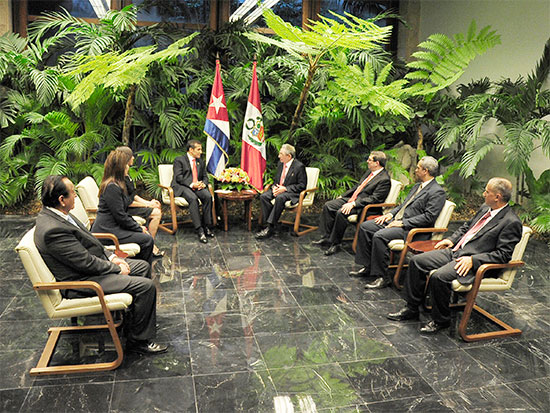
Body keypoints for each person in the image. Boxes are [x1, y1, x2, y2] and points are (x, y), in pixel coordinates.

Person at [34, 175, 167, 354]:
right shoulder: (53, 229)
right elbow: (85, 263)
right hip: (82, 281)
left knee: (142, 266)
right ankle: (139, 342)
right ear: (61, 199)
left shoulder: (58, 214)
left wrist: (112, 257)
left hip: (92, 267)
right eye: (73, 193)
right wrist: (117, 268)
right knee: (146, 287)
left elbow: (90, 242)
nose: (76, 196)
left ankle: (135, 322)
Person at [387, 177, 522, 333]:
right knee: (417, 261)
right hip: (457, 251)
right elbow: (466, 227)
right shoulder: (485, 208)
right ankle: (411, 308)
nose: (483, 193)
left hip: (475, 262)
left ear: (497, 197)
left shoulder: (511, 222)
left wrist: (473, 260)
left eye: (487, 191)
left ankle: (441, 320)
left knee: (439, 277)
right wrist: (451, 240)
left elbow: (503, 255)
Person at [350, 156, 446, 289]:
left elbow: (428, 217)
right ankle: (368, 266)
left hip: (412, 229)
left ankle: (383, 276)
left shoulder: (437, 192)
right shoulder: (418, 186)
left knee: (379, 235)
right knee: (366, 227)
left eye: (418, 168)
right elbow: (404, 205)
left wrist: (403, 223)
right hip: (397, 220)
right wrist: (390, 214)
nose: (416, 170)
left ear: (426, 171)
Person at [312, 151, 391, 256]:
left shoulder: (384, 179)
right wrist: (343, 196)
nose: (367, 161)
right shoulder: (370, 172)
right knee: (329, 206)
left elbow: (374, 199)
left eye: (370, 160)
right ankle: (327, 238)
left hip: (364, 206)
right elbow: (358, 187)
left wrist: (354, 204)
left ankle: (336, 243)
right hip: (353, 199)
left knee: (342, 212)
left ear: (377, 163)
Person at [91, 151, 155, 264]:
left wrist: (137, 228)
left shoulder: (117, 184)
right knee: (147, 240)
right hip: (107, 230)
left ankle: (139, 268)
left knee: (144, 236)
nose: (128, 167)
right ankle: (142, 271)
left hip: (115, 226)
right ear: (120, 168)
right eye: (126, 165)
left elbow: (123, 213)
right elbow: (120, 216)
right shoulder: (112, 187)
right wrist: (139, 228)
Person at [116, 146, 164, 258]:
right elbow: (127, 202)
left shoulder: (127, 174)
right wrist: (147, 204)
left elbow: (134, 195)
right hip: (126, 209)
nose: (133, 157)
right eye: (131, 156)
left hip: (130, 205)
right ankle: (150, 244)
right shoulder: (120, 178)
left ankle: (150, 242)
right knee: (156, 213)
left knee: (155, 207)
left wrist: (149, 202)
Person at [256, 144, 307, 239]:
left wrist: (285, 189)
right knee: (264, 196)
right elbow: (277, 180)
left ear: (289, 156)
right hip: (279, 189)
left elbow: (302, 185)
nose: (279, 156)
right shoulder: (280, 163)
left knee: (280, 197)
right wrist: (275, 188)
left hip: (291, 193)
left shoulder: (299, 167)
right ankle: (272, 223)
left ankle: (270, 227)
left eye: (281, 154)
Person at [171, 139, 214, 244]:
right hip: (182, 186)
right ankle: (199, 230)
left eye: (201, 149)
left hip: (196, 186)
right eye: (198, 149)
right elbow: (178, 177)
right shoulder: (179, 160)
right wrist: (192, 184)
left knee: (208, 196)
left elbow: (205, 177)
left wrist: (203, 183)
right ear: (191, 150)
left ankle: (206, 226)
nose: (201, 152)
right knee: (193, 199)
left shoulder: (200, 162)